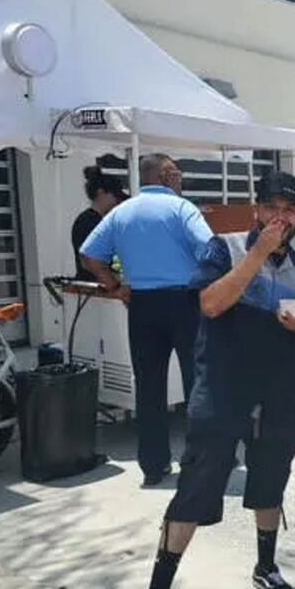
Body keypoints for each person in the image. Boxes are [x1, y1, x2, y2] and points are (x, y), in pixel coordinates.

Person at [133, 170, 295, 589]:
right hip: (223, 388)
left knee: (271, 477)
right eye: (274, 208)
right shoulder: (225, 249)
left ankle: (265, 566)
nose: (282, 217)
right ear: (257, 210)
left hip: (279, 389)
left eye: (292, 210)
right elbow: (211, 304)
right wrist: (259, 254)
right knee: (198, 485)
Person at [81, 154, 212, 487]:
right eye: (178, 173)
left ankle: (154, 466)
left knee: (149, 386)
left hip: (141, 305)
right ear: (167, 176)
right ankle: (202, 459)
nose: (181, 179)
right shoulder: (183, 210)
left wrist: (113, 284)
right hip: (184, 302)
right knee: (197, 383)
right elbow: (210, 250)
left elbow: (89, 256)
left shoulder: (121, 212)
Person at [71, 164, 128, 280]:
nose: (117, 202)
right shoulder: (88, 222)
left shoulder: (97, 220)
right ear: (101, 193)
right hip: (96, 285)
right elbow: (89, 261)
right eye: (115, 196)